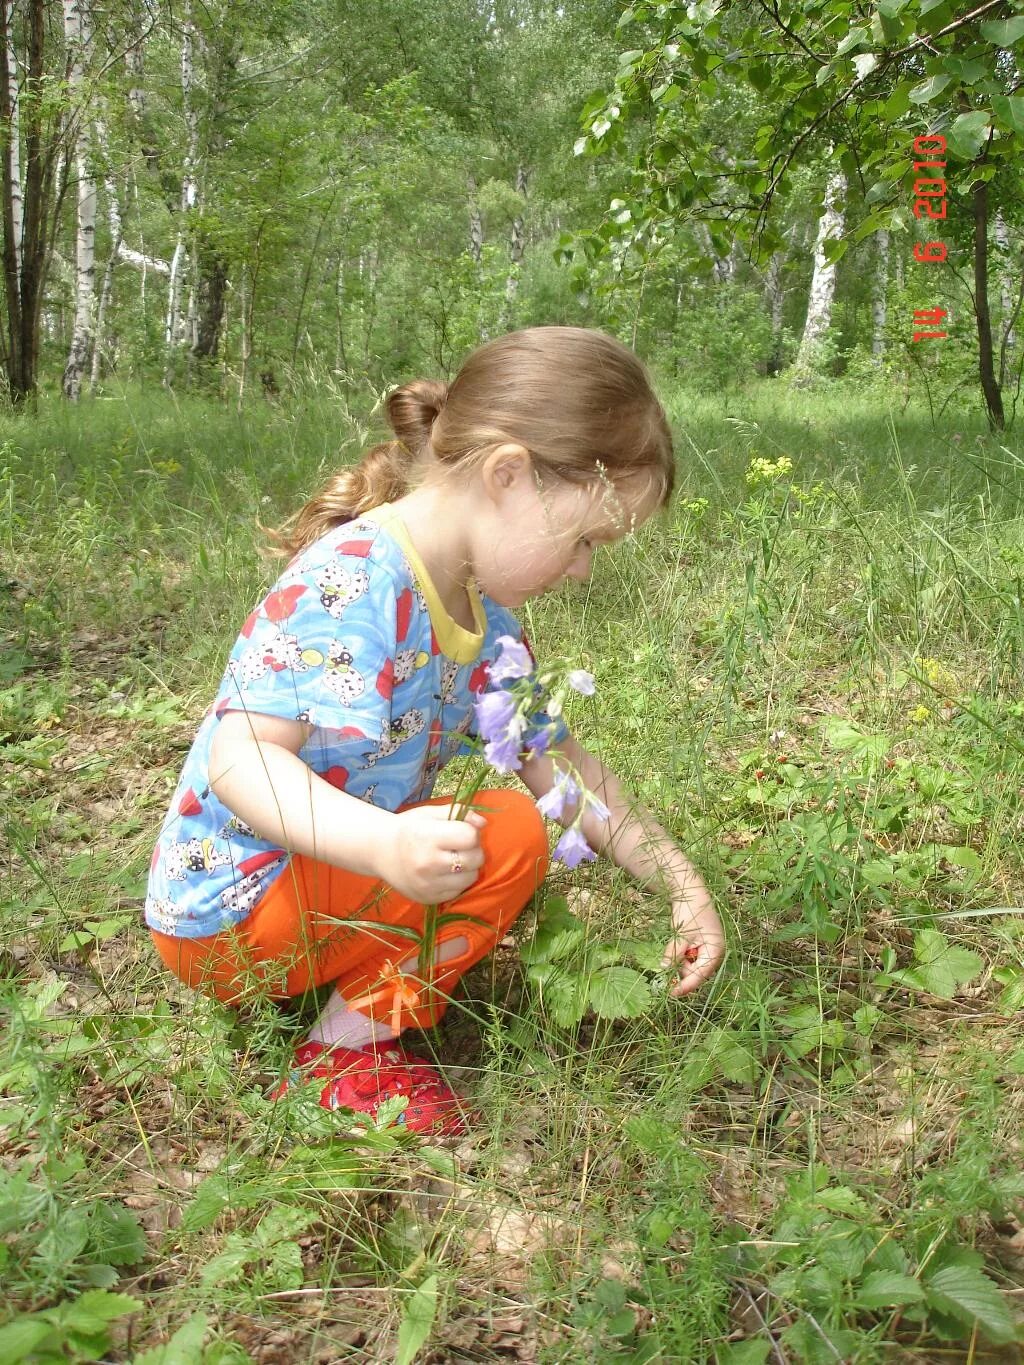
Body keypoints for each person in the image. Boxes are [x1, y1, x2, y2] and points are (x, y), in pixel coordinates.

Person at [145, 326, 725, 1137]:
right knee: (496, 831)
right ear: (508, 475)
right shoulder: (353, 578)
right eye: (586, 539)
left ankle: (343, 1034)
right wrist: (383, 846)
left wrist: (680, 882)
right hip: (231, 913)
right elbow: (238, 760)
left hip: (318, 906)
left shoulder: (492, 632)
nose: (585, 568)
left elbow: (570, 777)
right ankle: (342, 1063)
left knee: (514, 827)